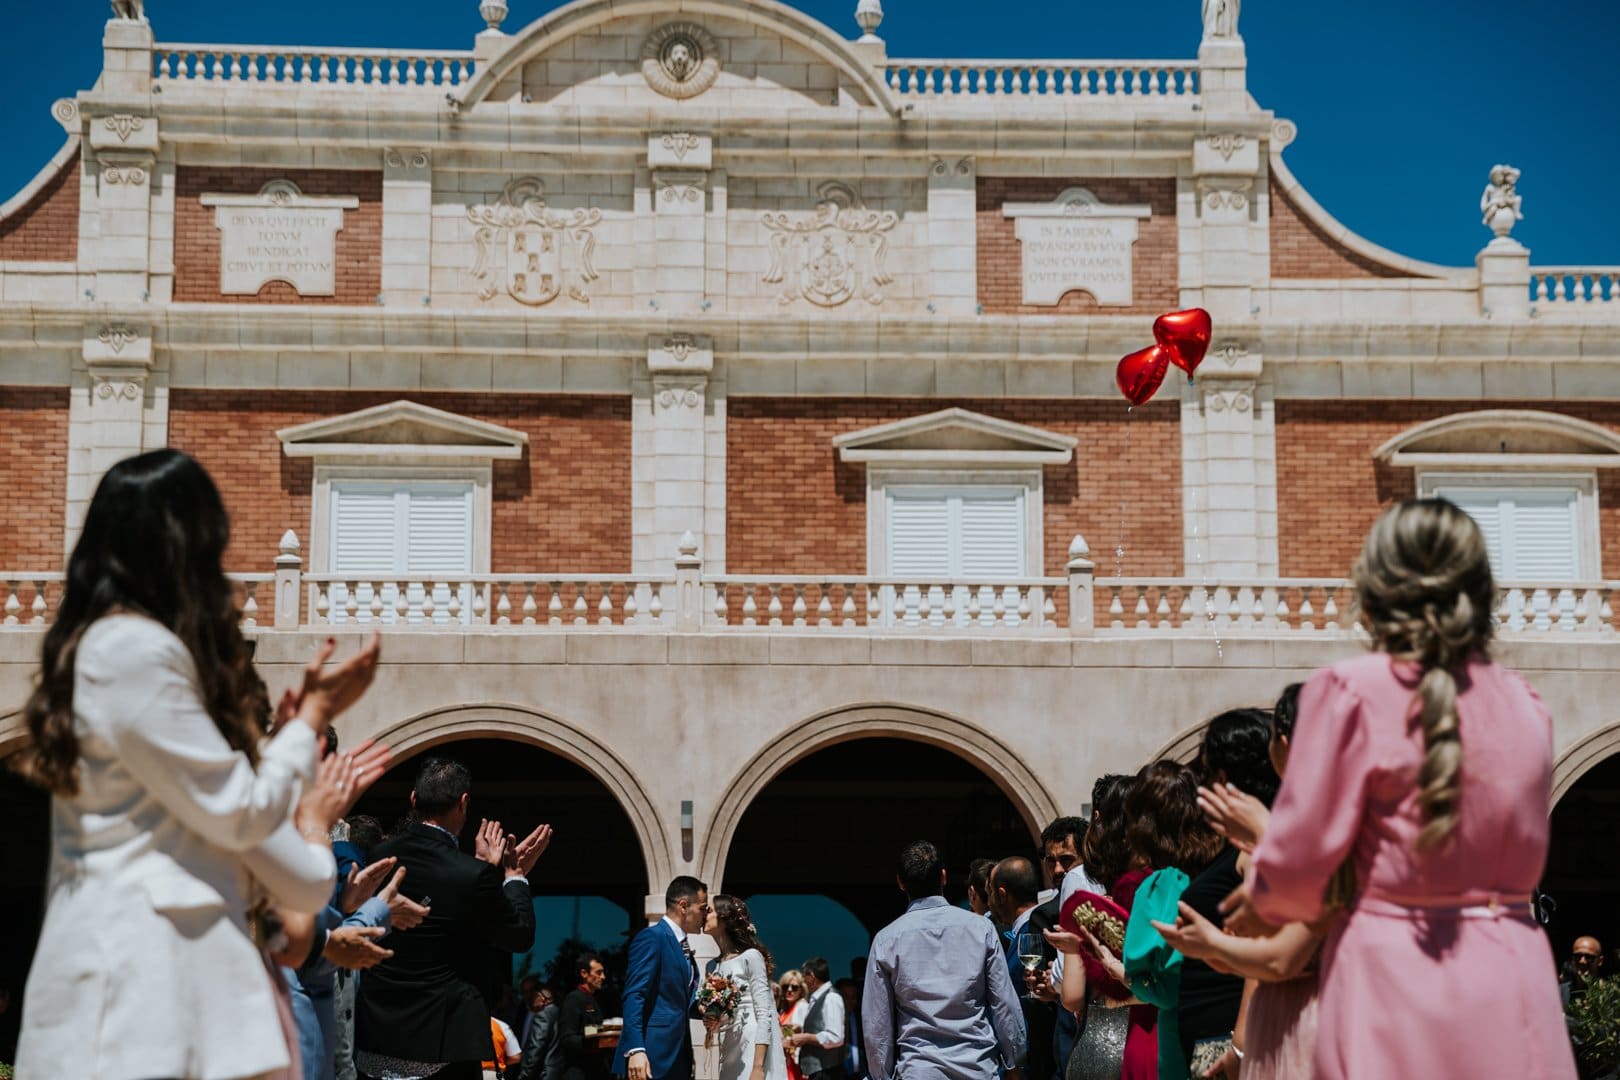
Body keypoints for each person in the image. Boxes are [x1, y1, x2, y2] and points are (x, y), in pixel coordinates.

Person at [12, 448, 384, 1080]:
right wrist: (309, 723)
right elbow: (244, 815)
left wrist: (307, 805)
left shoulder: (125, 656)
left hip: (190, 1011)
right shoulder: (129, 647)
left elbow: (303, 884)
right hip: (132, 1002)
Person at [1230, 498, 1579, 1080]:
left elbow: (1294, 884)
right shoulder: (1528, 705)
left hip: (1390, 981)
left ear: (1373, 590)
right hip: (1514, 979)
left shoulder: (1345, 692)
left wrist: (1258, 883)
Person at [1162, 684, 1323, 1080]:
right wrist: (1220, 951)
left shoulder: (1265, 843)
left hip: (1256, 1031)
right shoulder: (1264, 838)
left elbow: (1277, 953)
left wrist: (1238, 1046)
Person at [356, 758, 550, 1080]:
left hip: (376, 1041)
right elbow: (518, 935)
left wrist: (479, 872)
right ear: (463, 803)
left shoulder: (377, 859)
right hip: (444, 1046)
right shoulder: (471, 875)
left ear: (414, 800)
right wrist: (512, 877)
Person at [1172, 708, 1278, 1077]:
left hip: (1229, 1040)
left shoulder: (1257, 849)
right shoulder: (1241, 845)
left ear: (1224, 774)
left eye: (1204, 771)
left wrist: (1239, 1048)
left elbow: (1264, 955)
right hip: (1213, 1035)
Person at [863, 840, 1027, 1080]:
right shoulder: (981, 929)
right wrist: (1015, 1062)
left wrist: (880, 1075)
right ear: (943, 877)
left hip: (919, 1069)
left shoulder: (886, 940)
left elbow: (877, 1024)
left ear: (900, 882)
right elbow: (1004, 1003)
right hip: (978, 1068)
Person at [1046, 773, 1156, 1080]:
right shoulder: (1163, 885)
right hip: (1151, 1035)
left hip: (1098, 1040)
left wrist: (1074, 949)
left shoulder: (1084, 889)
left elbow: (1071, 996)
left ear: (1097, 820)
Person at [615, 876, 710, 1080]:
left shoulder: (682, 945)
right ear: (683, 906)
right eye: (702, 908)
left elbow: (676, 999)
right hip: (651, 1054)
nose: (706, 914)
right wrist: (636, 1049)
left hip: (678, 1055)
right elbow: (634, 995)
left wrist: (704, 1008)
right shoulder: (652, 938)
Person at [1033, 814, 1103, 1078]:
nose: (1059, 870)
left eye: (1067, 860)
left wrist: (1058, 983)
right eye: (1051, 861)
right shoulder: (1046, 910)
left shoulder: (1082, 887)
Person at [704, 894, 789, 1080]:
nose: (704, 915)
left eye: (709, 910)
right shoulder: (711, 966)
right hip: (728, 1044)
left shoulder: (751, 957)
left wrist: (758, 1067)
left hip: (751, 1043)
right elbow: (723, 1016)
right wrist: (713, 1020)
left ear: (724, 917)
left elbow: (764, 1013)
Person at [990, 856, 1052, 1080]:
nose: (990, 902)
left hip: (1034, 1059)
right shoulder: (1031, 926)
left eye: (991, 893)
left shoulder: (1031, 930)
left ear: (1002, 894)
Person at [789, 958, 846, 1080]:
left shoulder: (831, 997)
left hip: (826, 1072)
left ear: (811, 976)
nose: (804, 981)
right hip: (818, 1072)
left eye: (804, 976)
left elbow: (836, 1037)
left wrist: (806, 1038)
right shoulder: (817, 998)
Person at [559, 954, 609, 1080]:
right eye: (598, 972)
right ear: (584, 973)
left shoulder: (596, 999)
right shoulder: (574, 999)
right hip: (579, 1073)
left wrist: (607, 1032)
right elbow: (567, 1038)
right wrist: (598, 1039)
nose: (603, 977)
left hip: (597, 1071)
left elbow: (588, 1030)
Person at [518, 984, 565, 1080]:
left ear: (541, 998)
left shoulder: (543, 1015)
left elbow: (536, 1047)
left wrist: (524, 1075)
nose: (531, 1000)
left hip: (542, 1073)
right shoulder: (558, 1011)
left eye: (533, 997)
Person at [779, 970, 809, 1080]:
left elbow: (805, 1033)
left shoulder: (802, 1007)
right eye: (785, 987)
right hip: (785, 1064)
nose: (789, 990)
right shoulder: (783, 1010)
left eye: (794, 987)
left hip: (796, 1065)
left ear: (801, 990)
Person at [833, 979, 865, 1080]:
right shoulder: (830, 1021)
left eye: (853, 997)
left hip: (859, 1075)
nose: (849, 1001)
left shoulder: (861, 1019)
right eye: (845, 997)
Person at [1561, 937, 1606, 1006]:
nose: (1582, 961)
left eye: (1589, 957)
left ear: (1600, 961)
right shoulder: (1559, 993)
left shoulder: (1610, 994)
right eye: (1577, 956)